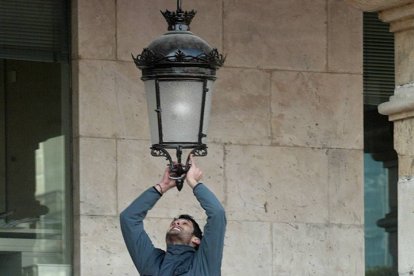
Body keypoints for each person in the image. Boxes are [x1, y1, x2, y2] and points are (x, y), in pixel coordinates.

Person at [120, 155, 226, 276]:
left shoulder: (205, 263)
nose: (176, 223)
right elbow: (128, 219)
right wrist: (163, 186)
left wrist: (193, 182)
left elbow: (217, 214)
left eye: (184, 223)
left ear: (196, 240)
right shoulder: (152, 262)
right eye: (174, 222)